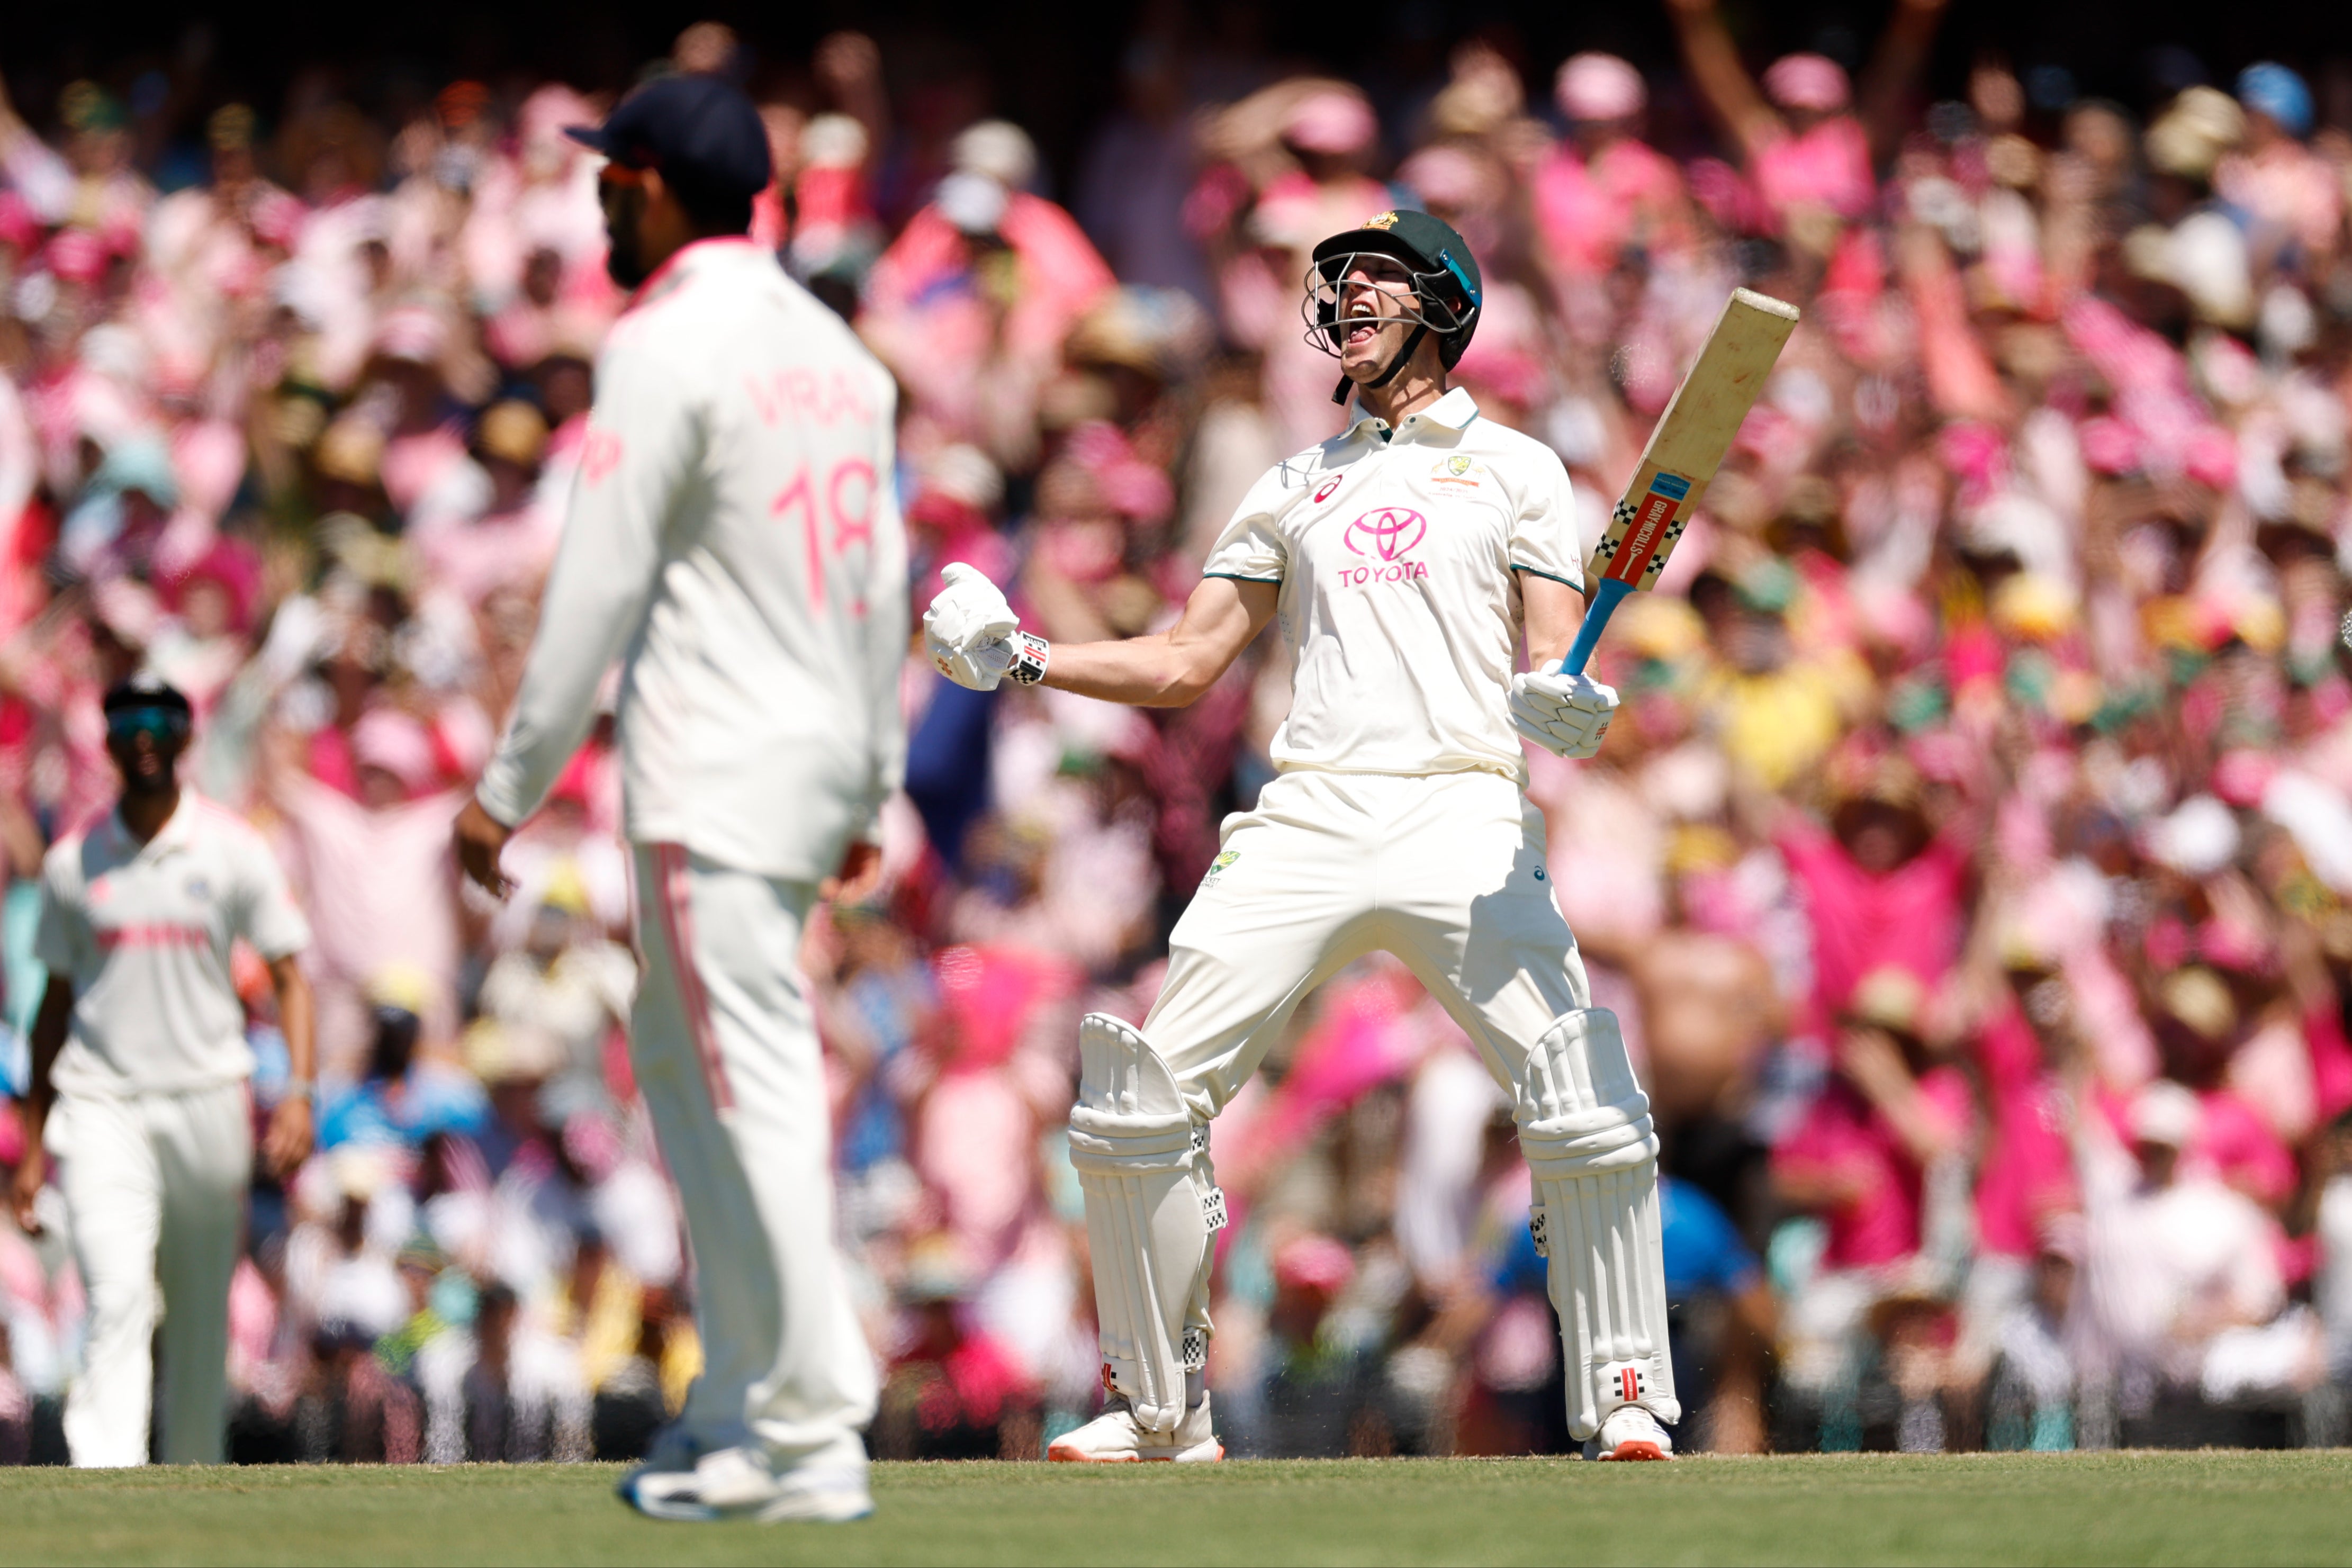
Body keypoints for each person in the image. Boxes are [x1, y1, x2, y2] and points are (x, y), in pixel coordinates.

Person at [923, 210, 1678, 1461]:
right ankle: (1159, 1407)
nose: (1348, 294)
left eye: (1375, 275)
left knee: (1579, 1093)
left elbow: (1554, 646)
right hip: (1309, 808)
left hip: (1459, 807)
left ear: (1442, 300)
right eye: (1336, 282)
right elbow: (1184, 660)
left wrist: (1568, 693)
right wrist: (1026, 654)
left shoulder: (1518, 467)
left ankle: (1625, 1390)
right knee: (1137, 1097)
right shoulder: (1292, 483)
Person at [450, 73, 906, 1523]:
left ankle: (811, 1429)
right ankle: (736, 1402)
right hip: (804, 753)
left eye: (606, 181)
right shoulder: (842, 358)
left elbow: (597, 579)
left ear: (645, 183)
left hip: (716, 759)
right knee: (691, 1067)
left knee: (738, 1072)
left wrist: (506, 786)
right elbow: (879, 589)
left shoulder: (663, 342)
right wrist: (870, 781)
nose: (596, 205)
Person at [8, 675, 317, 1466]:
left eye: (159, 720)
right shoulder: (77, 863)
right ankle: (104, 1476)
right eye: (127, 722)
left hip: (211, 1097)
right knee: (114, 1293)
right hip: (104, 1101)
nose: (143, 736)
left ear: (186, 738)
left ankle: (192, 1478)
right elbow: (52, 1006)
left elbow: (290, 975)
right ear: (106, 741)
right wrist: (35, 1143)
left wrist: (300, 1096)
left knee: (199, 1308)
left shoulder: (233, 847)